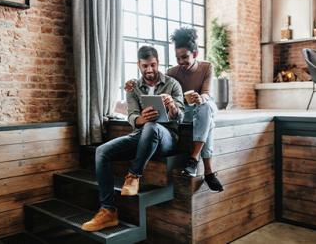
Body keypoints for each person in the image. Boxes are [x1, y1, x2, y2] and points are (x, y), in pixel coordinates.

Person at [82, 46, 184, 232]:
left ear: (158, 62)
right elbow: (132, 117)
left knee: (153, 127)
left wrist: (172, 107)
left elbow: (181, 116)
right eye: (145, 66)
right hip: (142, 133)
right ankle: (108, 211)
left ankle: (134, 175)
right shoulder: (133, 88)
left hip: (167, 137)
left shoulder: (173, 84)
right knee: (101, 151)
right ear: (139, 65)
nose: (150, 70)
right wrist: (141, 119)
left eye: (153, 65)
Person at [125, 28, 223, 193]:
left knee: (206, 109)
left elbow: (206, 93)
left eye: (185, 57)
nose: (181, 62)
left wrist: (201, 98)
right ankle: (208, 172)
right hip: (185, 111)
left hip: (204, 105)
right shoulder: (172, 72)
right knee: (209, 124)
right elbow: (153, 78)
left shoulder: (207, 67)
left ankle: (194, 158)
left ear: (195, 53)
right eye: (177, 58)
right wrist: (134, 82)